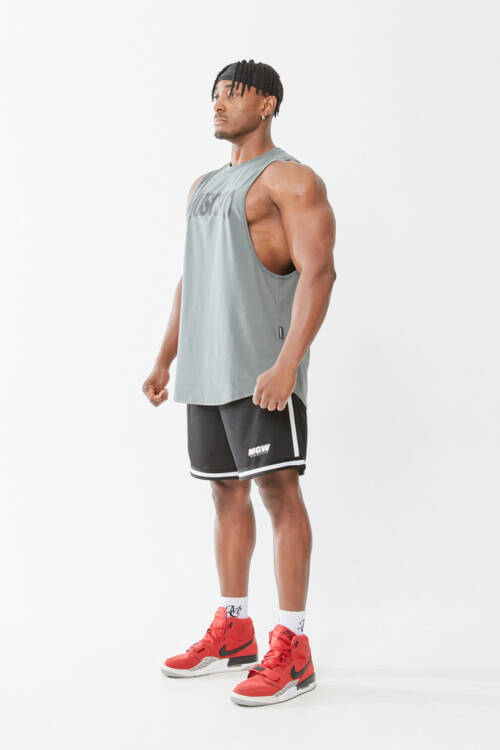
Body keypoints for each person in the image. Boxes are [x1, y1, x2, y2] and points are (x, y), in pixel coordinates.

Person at [142, 59, 336, 706]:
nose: (220, 104)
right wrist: (165, 357)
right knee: (224, 494)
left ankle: (294, 644)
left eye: (234, 94)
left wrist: (287, 364)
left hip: (260, 371)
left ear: (268, 104)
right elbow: (193, 274)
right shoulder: (203, 185)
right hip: (206, 368)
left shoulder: (291, 179)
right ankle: (233, 630)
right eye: (216, 95)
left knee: (278, 492)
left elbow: (319, 273)